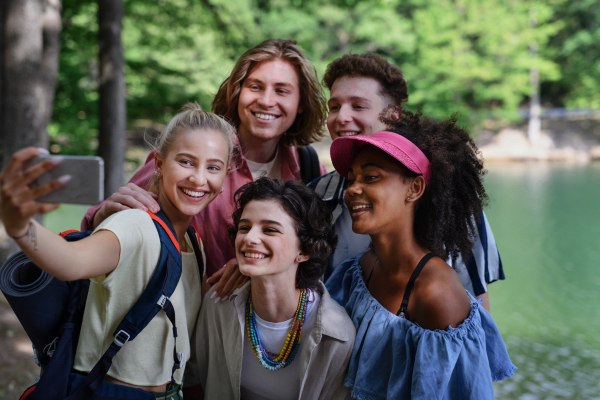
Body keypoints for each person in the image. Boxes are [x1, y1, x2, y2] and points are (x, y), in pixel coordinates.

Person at [0, 104, 235, 398]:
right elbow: (70, 261)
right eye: (186, 162)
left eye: (213, 167)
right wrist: (22, 227)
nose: (199, 179)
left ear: (225, 176)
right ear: (159, 164)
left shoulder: (193, 240)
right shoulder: (135, 224)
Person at [80, 39, 328, 277]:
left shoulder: (308, 168)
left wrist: (250, 266)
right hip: (182, 309)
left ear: (302, 103)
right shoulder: (195, 146)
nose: (266, 101)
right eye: (255, 86)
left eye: (282, 90)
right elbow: (105, 228)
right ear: (237, 91)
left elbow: (316, 254)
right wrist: (104, 216)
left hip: (264, 318)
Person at [325, 111, 516, 399]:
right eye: (352, 178)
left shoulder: (437, 293)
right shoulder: (359, 271)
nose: (352, 189)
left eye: (371, 177)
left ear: (414, 188)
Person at [308, 53, 503, 310]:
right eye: (334, 107)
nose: (341, 117)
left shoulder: (448, 196)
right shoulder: (316, 196)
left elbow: (477, 303)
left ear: (394, 116)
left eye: (358, 106)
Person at [184, 178, 355, 400]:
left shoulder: (337, 335)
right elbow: (187, 377)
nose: (250, 238)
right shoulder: (218, 305)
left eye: (270, 229)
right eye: (244, 227)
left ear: (305, 250)